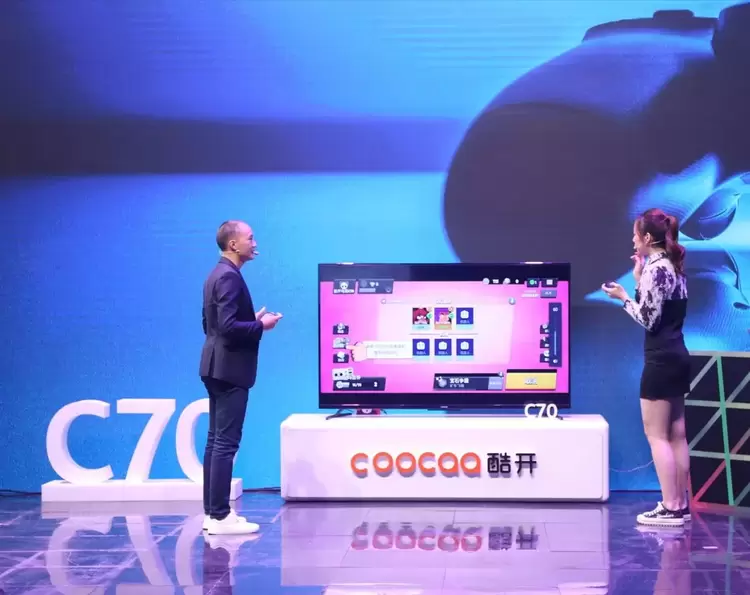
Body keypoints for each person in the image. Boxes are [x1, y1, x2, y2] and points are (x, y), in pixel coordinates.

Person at [602, 208, 691, 527]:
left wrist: (623, 297)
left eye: (635, 235)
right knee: (677, 435)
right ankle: (680, 504)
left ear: (648, 238)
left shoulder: (658, 269)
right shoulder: (672, 266)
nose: (633, 240)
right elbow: (660, 309)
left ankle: (671, 505)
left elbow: (648, 319)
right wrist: (639, 277)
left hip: (661, 360)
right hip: (677, 355)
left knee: (657, 436)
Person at [199, 221, 283, 535]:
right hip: (230, 369)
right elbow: (226, 327)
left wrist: (251, 319)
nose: (255, 243)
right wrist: (261, 325)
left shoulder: (216, 275)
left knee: (216, 441)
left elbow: (209, 324)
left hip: (215, 366)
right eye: (250, 238)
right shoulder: (229, 277)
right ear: (233, 244)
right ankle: (221, 516)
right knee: (225, 443)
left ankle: (213, 513)